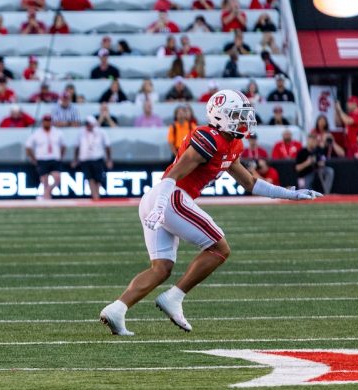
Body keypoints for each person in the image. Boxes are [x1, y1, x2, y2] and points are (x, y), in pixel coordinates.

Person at [98, 90, 321, 336]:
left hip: (161, 199)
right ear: (220, 117)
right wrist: (162, 206)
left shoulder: (232, 143)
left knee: (161, 268)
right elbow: (173, 175)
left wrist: (290, 194)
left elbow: (250, 183)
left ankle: (116, 310)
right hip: (170, 196)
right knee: (220, 248)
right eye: (237, 115)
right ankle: (174, 297)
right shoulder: (209, 137)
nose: (244, 120)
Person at [25, 114, 64, 199]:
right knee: (44, 179)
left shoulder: (58, 132)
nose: (47, 123)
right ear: (43, 122)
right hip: (42, 158)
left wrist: (61, 156)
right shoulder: (37, 133)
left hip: (54, 158)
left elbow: (63, 146)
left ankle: (46, 193)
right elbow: (28, 146)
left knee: (57, 178)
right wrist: (33, 158)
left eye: (49, 121)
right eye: (46, 121)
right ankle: (47, 197)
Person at [75, 116, 113, 201]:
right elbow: (77, 146)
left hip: (97, 158)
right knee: (90, 178)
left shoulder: (101, 132)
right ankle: (95, 196)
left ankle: (96, 195)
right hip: (85, 159)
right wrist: (76, 159)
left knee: (98, 178)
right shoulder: (81, 132)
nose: (88, 126)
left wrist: (109, 159)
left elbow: (107, 146)